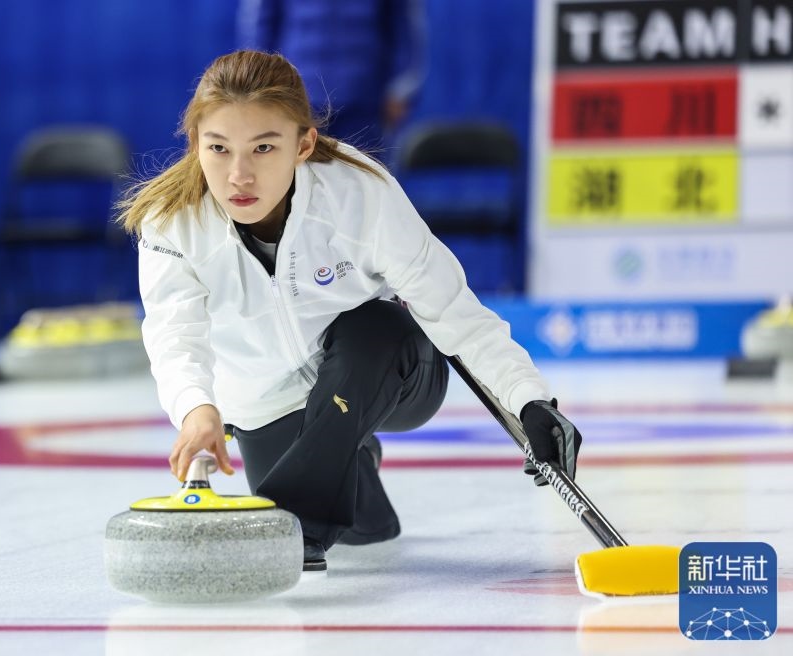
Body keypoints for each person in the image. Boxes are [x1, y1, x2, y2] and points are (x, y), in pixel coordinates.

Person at [121, 51, 581, 572]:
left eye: (264, 147)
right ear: (195, 143)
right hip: (266, 402)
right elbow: (174, 333)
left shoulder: (359, 193)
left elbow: (453, 309)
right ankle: (349, 455)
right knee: (364, 530)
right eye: (219, 148)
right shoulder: (170, 220)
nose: (238, 175)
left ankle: (294, 522)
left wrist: (529, 400)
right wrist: (197, 409)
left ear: (303, 144)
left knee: (376, 328)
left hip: (391, 370)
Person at [238, 0, 426, 150]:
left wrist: (399, 91)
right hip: (298, 101)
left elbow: (406, 30)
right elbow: (261, 26)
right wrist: (260, 86)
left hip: (365, 102)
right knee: (299, 180)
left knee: (363, 180)